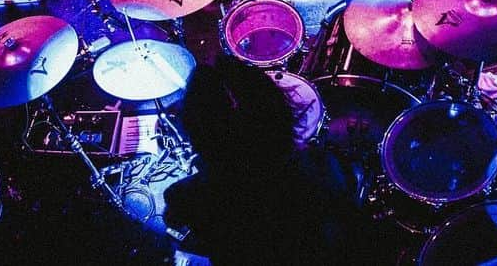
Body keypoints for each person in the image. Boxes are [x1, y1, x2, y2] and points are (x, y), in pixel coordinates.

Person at [163, 56, 382, 265]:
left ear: (197, 132)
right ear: (278, 113)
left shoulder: (184, 197)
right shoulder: (324, 168)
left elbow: (176, 223)